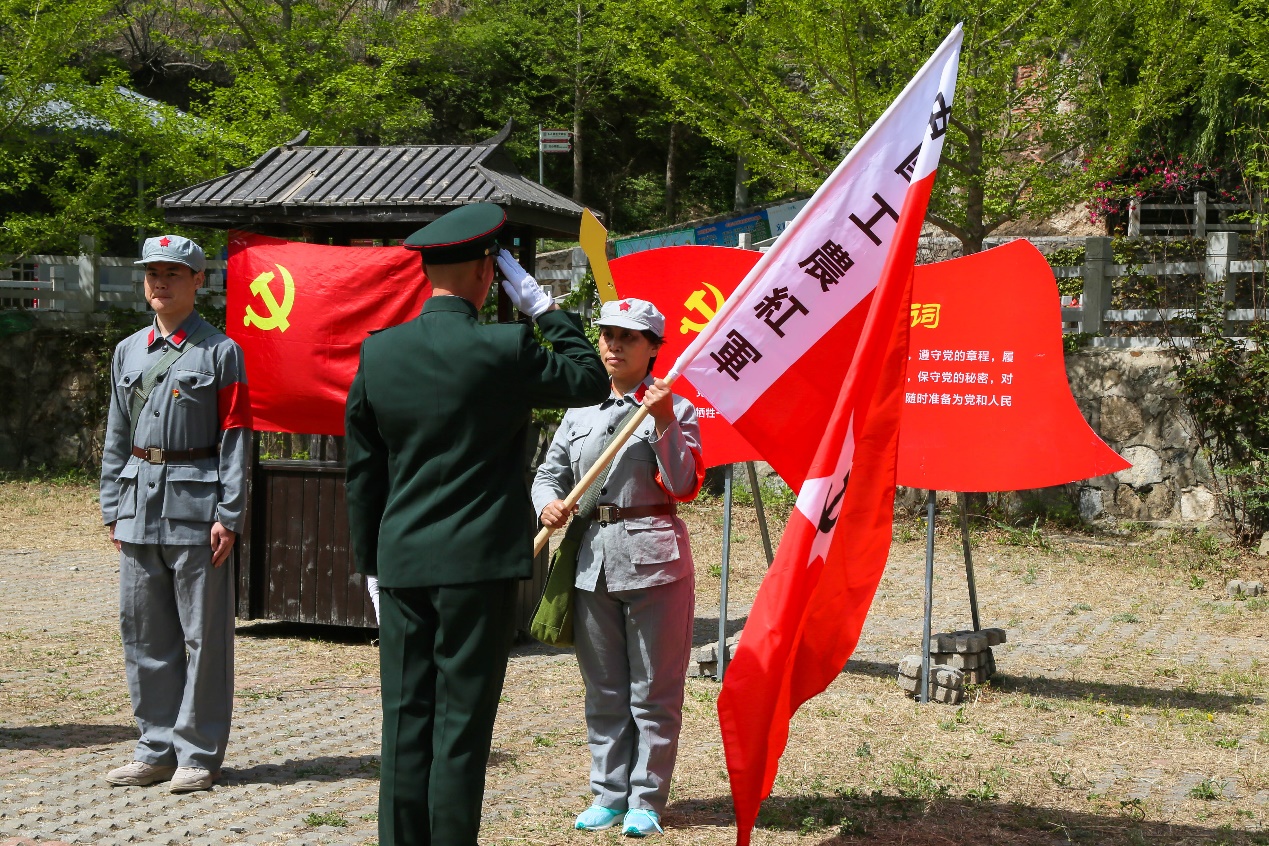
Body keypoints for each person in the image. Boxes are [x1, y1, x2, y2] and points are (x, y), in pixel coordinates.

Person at [344, 202, 609, 846]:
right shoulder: (506, 347)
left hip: (403, 561)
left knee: (405, 721)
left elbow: (363, 472)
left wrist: (371, 562)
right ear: (489, 273)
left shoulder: (379, 353)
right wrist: (543, 308)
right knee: (461, 728)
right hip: (481, 564)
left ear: (430, 273)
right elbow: (591, 377)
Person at [532, 298, 704, 838]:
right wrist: (547, 505)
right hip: (590, 563)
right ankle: (607, 795)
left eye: (629, 337)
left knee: (653, 690)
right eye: (607, 335)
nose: (613, 345)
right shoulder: (580, 412)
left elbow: (683, 484)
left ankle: (646, 800)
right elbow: (547, 474)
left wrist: (662, 420)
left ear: (653, 348)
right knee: (603, 689)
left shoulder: (674, 410)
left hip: (654, 562)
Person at [99, 234, 251, 793]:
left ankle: (199, 753)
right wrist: (112, 505)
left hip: (196, 509)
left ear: (199, 281)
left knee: (203, 638)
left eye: (173, 273)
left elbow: (235, 436)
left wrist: (229, 513)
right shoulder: (128, 350)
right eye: (153, 273)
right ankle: (154, 748)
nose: (160, 282)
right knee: (143, 633)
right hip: (139, 505)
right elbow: (117, 433)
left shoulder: (220, 352)